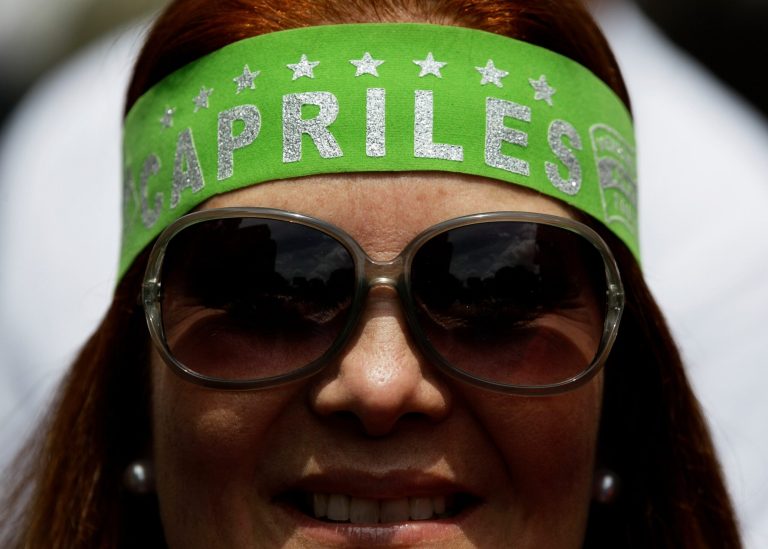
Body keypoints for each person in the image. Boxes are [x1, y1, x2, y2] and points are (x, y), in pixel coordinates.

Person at [0, 0, 742, 547]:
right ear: (136, 396)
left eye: (497, 290)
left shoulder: (738, 214)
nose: (380, 385)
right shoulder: (45, 161)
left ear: (621, 414)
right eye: (272, 291)